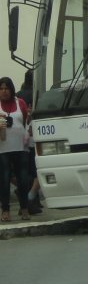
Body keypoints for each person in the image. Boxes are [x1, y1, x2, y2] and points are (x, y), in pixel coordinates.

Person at [0, 76, 31, 221]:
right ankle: (5, 210)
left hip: (20, 147)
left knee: (23, 178)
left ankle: (24, 208)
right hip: (3, 148)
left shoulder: (21, 103)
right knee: (4, 179)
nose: (4, 91)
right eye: (1, 89)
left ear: (12, 89)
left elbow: (25, 120)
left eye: (6, 88)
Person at [16, 70, 42, 215]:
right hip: (33, 138)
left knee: (24, 171)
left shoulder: (18, 96)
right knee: (35, 171)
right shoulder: (37, 94)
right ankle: (30, 198)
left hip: (21, 139)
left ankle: (28, 198)